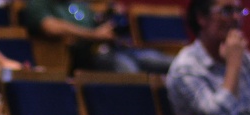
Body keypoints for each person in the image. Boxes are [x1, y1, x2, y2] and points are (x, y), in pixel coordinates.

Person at [166, 0, 250, 115]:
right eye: (227, 11)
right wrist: (233, 65)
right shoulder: (186, 66)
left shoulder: (245, 57)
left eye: (239, 11)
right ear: (201, 18)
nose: (236, 17)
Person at [21, 0, 173, 73]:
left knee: (163, 61)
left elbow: (95, 21)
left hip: (114, 48)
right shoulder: (39, 3)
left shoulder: (78, 4)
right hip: (84, 56)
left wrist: (109, 18)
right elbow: (50, 27)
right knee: (128, 69)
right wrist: (94, 35)